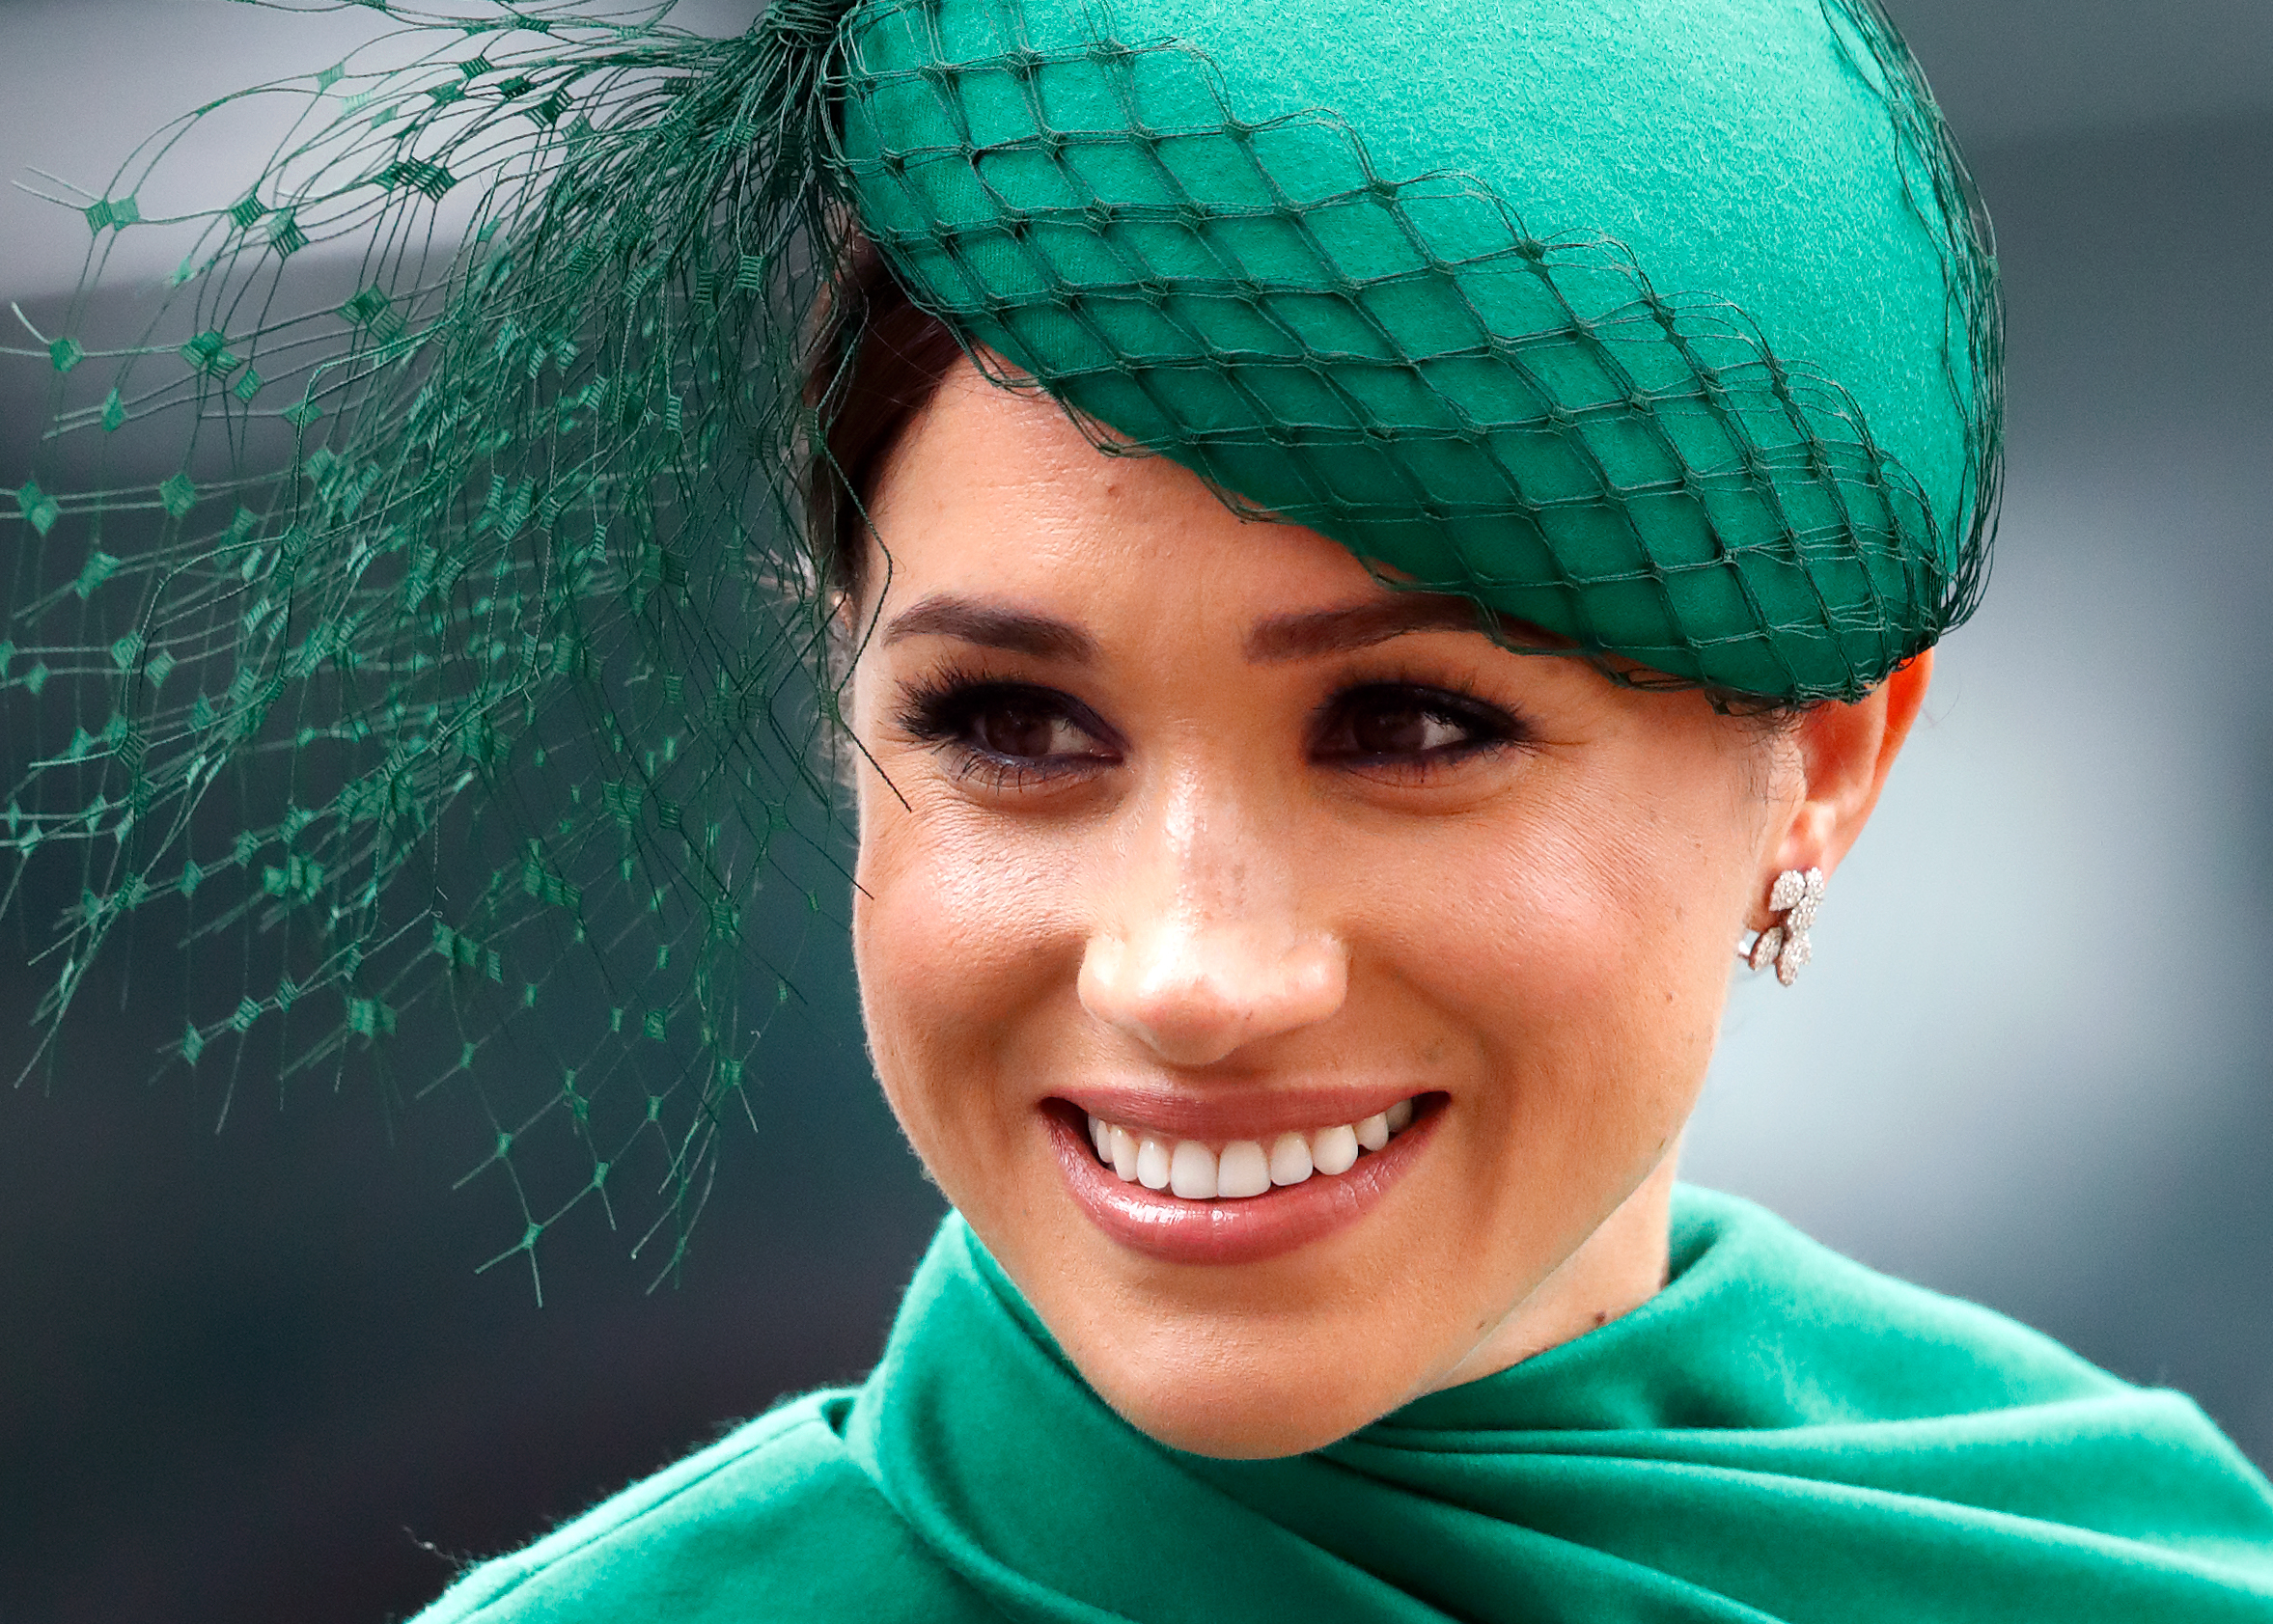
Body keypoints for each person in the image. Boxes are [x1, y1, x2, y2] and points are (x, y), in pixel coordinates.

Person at [7, 0, 2272, 1617]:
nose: (1189, 971)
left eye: (1406, 726)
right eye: (1012, 723)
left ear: (1830, 759)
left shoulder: (2119, 1566)